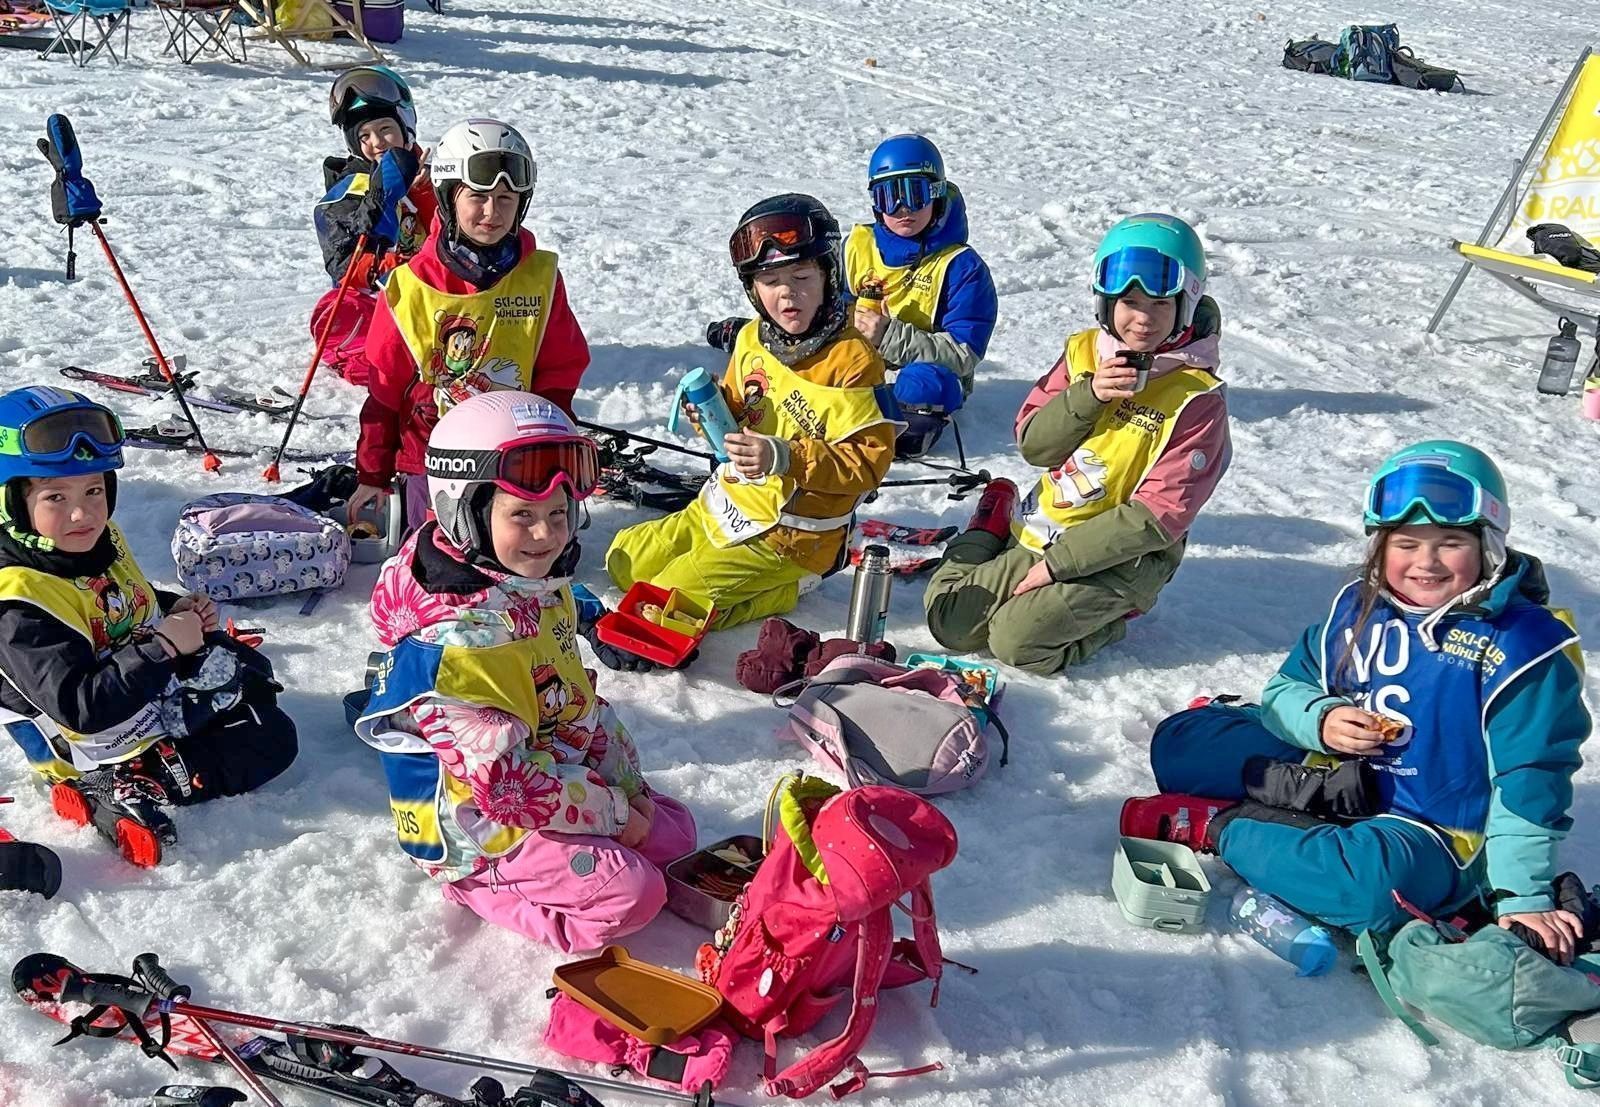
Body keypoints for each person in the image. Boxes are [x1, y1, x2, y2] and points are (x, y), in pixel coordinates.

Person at [1125, 442, 1590, 951]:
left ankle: (1223, 826)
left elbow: (1531, 779)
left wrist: (1521, 895)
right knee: (1179, 744)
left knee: (1369, 889)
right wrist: (1321, 719)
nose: (1426, 563)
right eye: (1406, 544)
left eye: (1451, 542)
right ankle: (1282, 794)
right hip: (1337, 775)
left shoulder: (1525, 647)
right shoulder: (1361, 607)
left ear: (1488, 546)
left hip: (1433, 830)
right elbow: (1288, 689)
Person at [356, 391, 695, 952]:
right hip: (481, 821)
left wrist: (625, 790)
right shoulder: (460, 648)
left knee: (676, 835)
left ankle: (603, 838)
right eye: (523, 515)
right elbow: (505, 788)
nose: (547, 535)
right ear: (462, 511)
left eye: (559, 513)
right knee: (633, 894)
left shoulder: (527, 578)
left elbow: (572, 701)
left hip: (547, 768)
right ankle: (479, 887)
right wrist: (614, 814)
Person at [0, 387, 297, 868]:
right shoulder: (17, 603)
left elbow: (116, 598)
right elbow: (79, 707)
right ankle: (126, 783)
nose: (83, 513)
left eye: (94, 490)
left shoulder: (94, 542)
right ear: (10, 501)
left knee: (252, 679)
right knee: (271, 740)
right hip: (89, 739)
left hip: (138, 693)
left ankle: (147, 767)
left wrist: (173, 606)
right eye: (56, 496)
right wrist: (161, 648)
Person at [923, 213, 1230, 674]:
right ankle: (989, 528)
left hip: (1121, 560)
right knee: (950, 621)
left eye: (1159, 304)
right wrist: (1088, 395)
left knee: (1016, 643)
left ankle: (1114, 617)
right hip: (1047, 526)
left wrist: (1056, 566)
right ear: (1105, 301)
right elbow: (1034, 447)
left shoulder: (1197, 401)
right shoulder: (1084, 354)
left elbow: (1156, 519)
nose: (1142, 319)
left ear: (1185, 305)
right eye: (1128, 300)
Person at [607, 194, 898, 630]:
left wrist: (784, 456)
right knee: (623, 563)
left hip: (793, 535)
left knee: (664, 611)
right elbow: (747, 411)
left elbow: (868, 465)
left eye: (801, 275)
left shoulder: (853, 360)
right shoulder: (751, 340)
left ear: (828, 275)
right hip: (730, 503)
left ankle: (790, 586)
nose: (787, 294)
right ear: (753, 289)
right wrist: (712, 411)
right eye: (770, 281)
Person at [351, 118, 591, 534]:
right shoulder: (409, 289)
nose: (492, 212)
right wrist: (372, 475)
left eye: (505, 198)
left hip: (517, 459)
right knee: (446, 562)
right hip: (433, 460)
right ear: (447, 198)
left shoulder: (540, 277)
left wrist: (558, 459)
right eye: (477, 197)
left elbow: (558, 380)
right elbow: (384, 396)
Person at [311, 66, 438, 385]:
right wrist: (379, 198)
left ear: (406, 127)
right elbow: (343, 264)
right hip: (380, 298)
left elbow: (459, 233)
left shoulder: (436, 178)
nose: (377, 142)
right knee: (337, 312)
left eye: (385, 129)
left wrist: (423, 191)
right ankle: (377, 360)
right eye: (364, 136)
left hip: (436, 293)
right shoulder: (349, 191)